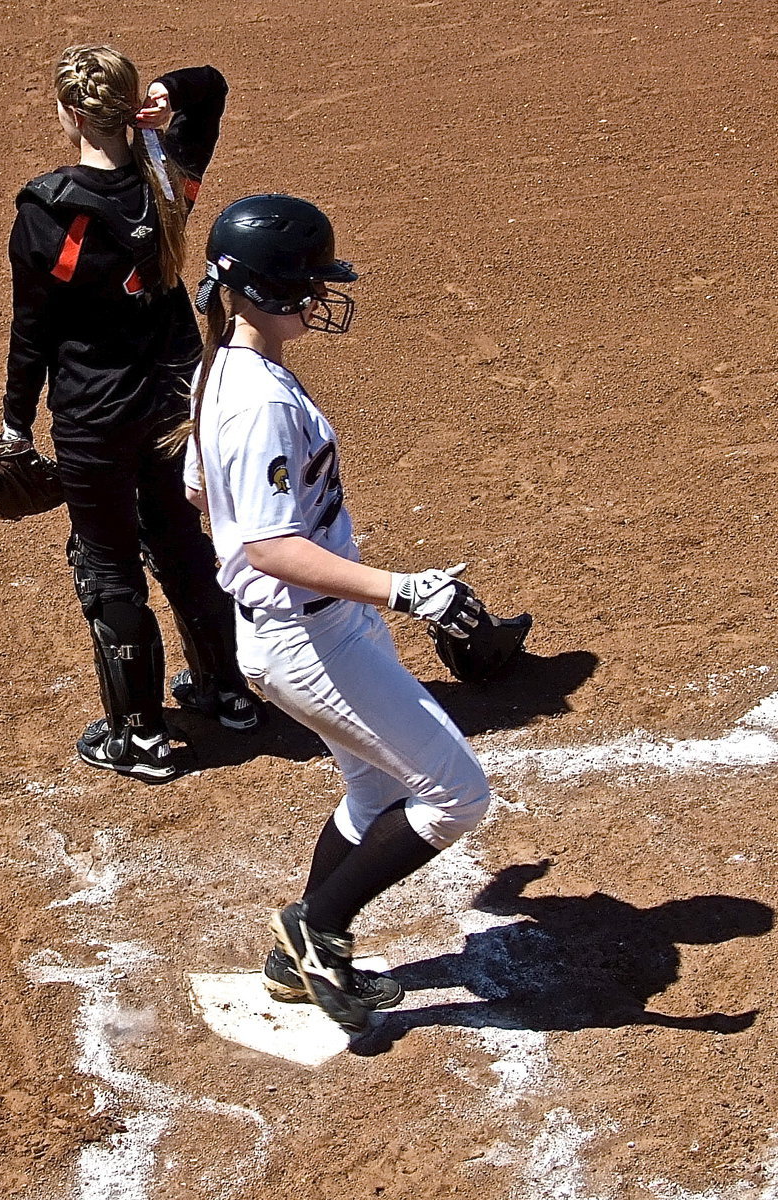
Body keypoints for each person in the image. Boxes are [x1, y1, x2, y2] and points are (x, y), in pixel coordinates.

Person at [182, 194, 504, 1034]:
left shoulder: (222, 367)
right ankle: (315, 932)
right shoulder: (260, 402)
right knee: (454, 797)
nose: (321, 294)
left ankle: (300, 953)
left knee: (370, 787)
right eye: (309, 281)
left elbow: (197, 492)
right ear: (268, 288)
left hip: (303, 627)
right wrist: (403, 588)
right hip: (307, 635)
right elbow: (270, 547)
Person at [0, 44, 261, 783]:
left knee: (107, 564)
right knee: (178, 540)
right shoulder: (165, 178)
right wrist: (168, 94)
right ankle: (228, 692)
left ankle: (139, 737)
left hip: (94, 416)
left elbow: (33, 331)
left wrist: (16, 424)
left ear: (72, 114)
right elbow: (212, 83)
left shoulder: (46, 210)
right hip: (174, 402)